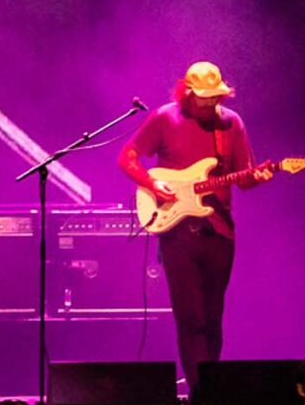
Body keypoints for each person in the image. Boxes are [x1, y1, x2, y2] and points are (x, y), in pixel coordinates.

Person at [118, 61, 279, 388]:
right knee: (190, 318)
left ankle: (212, 389)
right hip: (178, 233)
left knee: (212, 318)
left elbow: (244, 178)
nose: (211, 103)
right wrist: (151, 184)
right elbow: (128, 157)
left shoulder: (231, 124)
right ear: (187, 92)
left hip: (219, 231)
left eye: (215, 96)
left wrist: (259, 178)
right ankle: (200, 394)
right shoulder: (166, 117)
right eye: (204, 97)